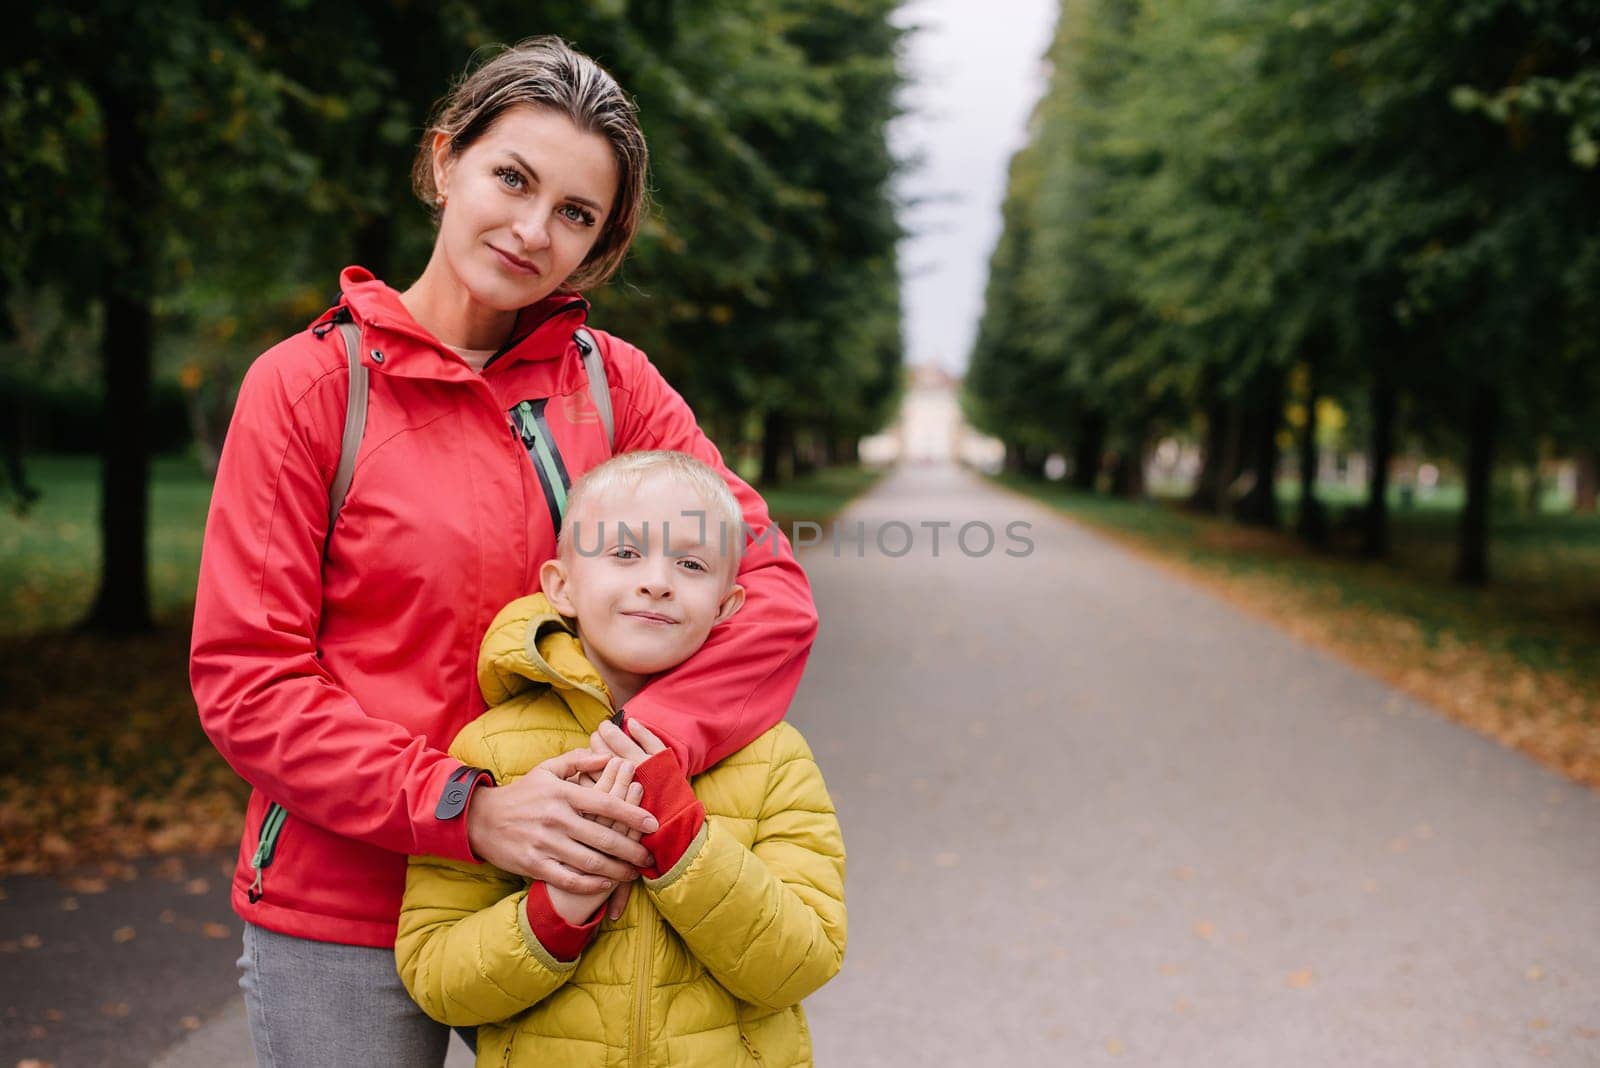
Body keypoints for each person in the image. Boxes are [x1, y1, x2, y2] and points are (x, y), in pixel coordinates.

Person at [189, 37, 816, 1067]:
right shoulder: (308, 390)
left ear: (599, 245)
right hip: (345, 906)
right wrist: (464, 809)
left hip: (571, 904)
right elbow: (248, 684)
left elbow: (771, 592)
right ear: (445, 162)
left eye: (574, 214)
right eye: (511, 179)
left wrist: (640, 757)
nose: (532, 230)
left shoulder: (618, 389)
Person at [396, 450, 845, 1066]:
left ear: (727, 606)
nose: (656, 580)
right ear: (562, 587)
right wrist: (556, 910)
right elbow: (437, 978)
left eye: (690, 563)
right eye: (625, 554)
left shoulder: (774, 758)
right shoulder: (492, 751)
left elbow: (804, 962)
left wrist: (687, 845)